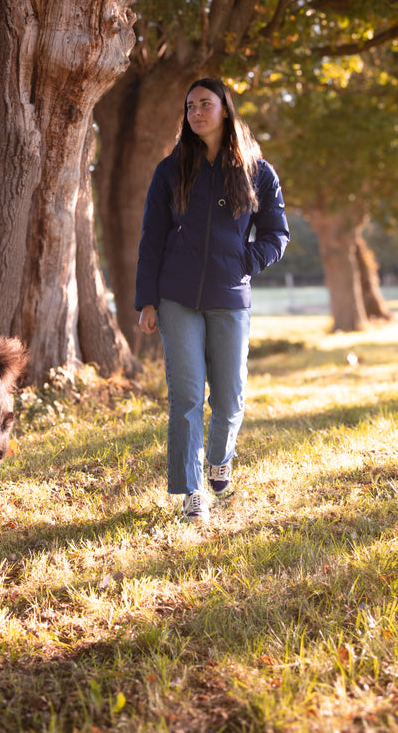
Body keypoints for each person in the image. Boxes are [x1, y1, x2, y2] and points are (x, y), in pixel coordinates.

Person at [135, 77, 289, 523]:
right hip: (176, 296)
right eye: (190, 106)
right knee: (186, 398)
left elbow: (277, 234)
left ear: (225, 110)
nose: (196, 112)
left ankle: (220, 459)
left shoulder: (258, 171)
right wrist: (147, 300)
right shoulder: (171, 170)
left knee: (229, 397)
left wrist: (245, 262)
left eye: (205, 104)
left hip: (230, 296)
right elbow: (151, 238)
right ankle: (192, 491)